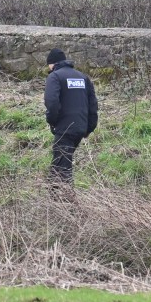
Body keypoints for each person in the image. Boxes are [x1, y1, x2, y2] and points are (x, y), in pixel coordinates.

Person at [44, 48, 98, 199]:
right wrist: (89, 127)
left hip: (64, 128)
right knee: (60, 161)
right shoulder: (83, 77)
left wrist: (52, 121)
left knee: (62, 167)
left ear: (51, 64)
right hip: (80, 128)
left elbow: (52, 102)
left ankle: (67, 202)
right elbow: (93, 105)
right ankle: (53, 198)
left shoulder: (54, 77)